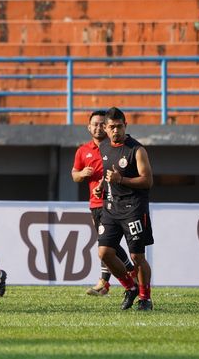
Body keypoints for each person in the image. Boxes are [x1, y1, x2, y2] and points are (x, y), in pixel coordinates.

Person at [94, 107, 154, 311]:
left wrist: (122, 180)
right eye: (111, 127)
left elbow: (147, 181)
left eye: (119, 126)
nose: (115, 131)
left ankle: (145, 298)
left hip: (133, 209)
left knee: (137, 257)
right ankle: (130, 287)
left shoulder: (136, 150)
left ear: (125, 125)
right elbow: (107, 172)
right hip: (111, 208)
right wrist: (101, 186)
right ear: (105, 127)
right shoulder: (103, 147)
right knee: (104, 253)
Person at [71, 110, 134, 296]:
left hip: (116, 202)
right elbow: (74, 174)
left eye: (101, 124)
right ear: (88, 127)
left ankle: (118, 277)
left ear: (106, 127)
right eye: (95, 124)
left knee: (107, 244)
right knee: (105, 244)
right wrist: (82, 174)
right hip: (96, 203)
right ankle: (107, 281)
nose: (98, 127)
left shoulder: (113, 147)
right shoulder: (83, 150)